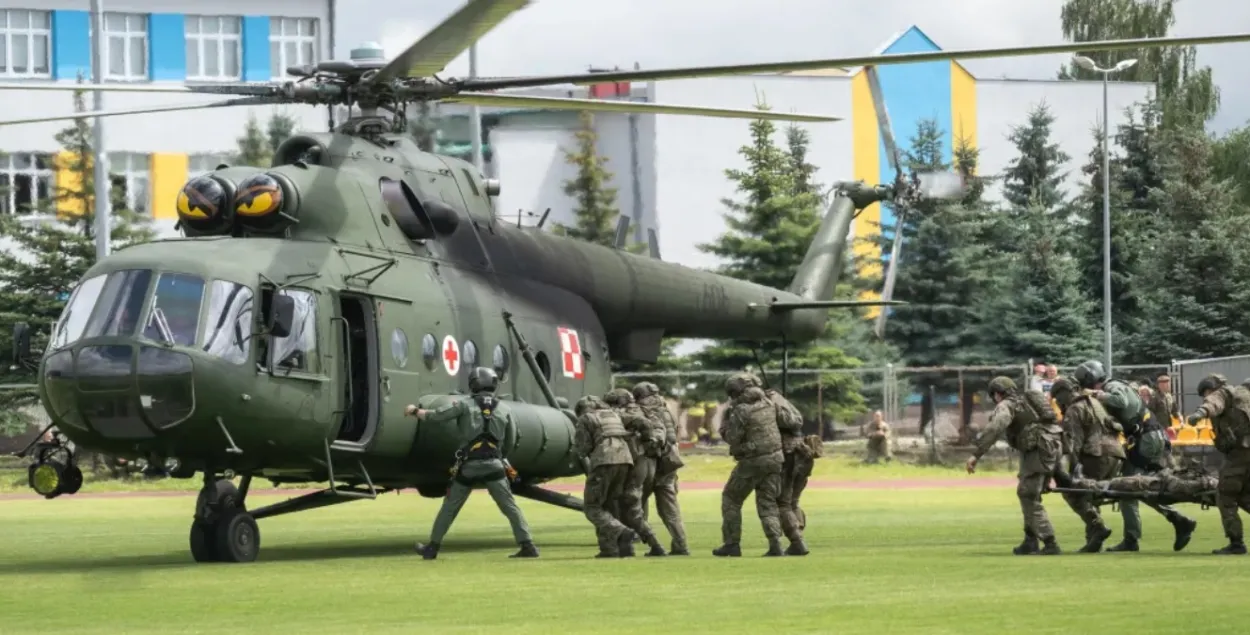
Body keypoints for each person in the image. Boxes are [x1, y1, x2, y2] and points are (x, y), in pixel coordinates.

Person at [410, 367, 538, 560]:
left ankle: (432, 547)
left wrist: (415, 411)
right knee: (510, 507)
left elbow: (437, 416)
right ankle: (527, 545)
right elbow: (511, 439)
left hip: (469, 467)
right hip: (495, 465)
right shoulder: (505, 408)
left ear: (474, 383)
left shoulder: (464, 404)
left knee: (450, 507)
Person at [1074, 360, 1197, 552]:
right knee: (1143, 487)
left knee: (1127, 488)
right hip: (1151, 437)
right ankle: (1177, 520)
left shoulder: (1112, 387)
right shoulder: (1119, 385)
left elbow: (1119, 402)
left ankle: (1134, 539)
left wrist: (1097, 394)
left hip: (1146, 438)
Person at [965, 376, 1064, 555]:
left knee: (1028, 494)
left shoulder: (1006, 406)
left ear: (997, 394)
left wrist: (976, 454)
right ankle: (1030, 540)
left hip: (1037, 451)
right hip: (1053, 447)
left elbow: (995, 428)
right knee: (1029, 493)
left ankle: (1050, 542)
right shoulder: (1027, 401)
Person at [714, 372, 785, 557]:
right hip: (775, 460)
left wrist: (724, 427)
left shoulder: (741, 410)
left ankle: (731, 544)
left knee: (731, 499)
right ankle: (776, 543)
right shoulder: (769, 403)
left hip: (752, 463)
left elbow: (733, 438)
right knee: (768, 503)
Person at [1050, 376, 1123, 553]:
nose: (1058, 403)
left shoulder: (1074, 410)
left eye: (1058, 398)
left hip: (1096, 455)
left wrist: (1073, 469)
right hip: (1117, 454)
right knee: (1092, 495)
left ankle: (1096, 527)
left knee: (1073, 492)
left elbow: (1073, 444)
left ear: (1065, 393)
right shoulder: (1095, 402)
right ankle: (1093, 540)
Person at [744, 375, 810, 556]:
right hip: (803, 453)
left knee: (782, 502)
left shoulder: (768, 404)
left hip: (788, 455)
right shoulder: (781, 400)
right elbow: (797, 421)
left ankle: (797, 541)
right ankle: (797, 538)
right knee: (792, 501)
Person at [1185, 374, 1250, 555]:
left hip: (1240, 454)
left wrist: (1198, 414)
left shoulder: (1223, 393)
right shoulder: (1244, 395)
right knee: (1245, 496)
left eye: (1205, 393)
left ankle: (1236, 543)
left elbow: (1212, 404)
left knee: (1225, 495)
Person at [602, 388, 668, 556]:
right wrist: (652, 443)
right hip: (648, 461)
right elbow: (660, 429)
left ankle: (653, 544)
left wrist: (646, 439)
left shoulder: (622, 414)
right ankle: (627, 547)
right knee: (635, 502)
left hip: (633, 461)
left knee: (628, 503)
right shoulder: (647, 411)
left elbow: (642, 424)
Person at [573, 394, 638, 558]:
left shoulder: (586, 418)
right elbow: (639, 422)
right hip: (625, 460)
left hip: (604, 461)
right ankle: (615, 549)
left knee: (592, 507)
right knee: (611, 505)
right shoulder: (614, 415)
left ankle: (622, 531)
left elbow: (582, 447)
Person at [632, 381, 690, 555]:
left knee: (637, 501)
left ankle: (641, 537)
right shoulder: (667, 409)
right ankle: (681, 545)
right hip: (670, 463)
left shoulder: (641, 410)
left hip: (651, 462)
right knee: (670, 508)